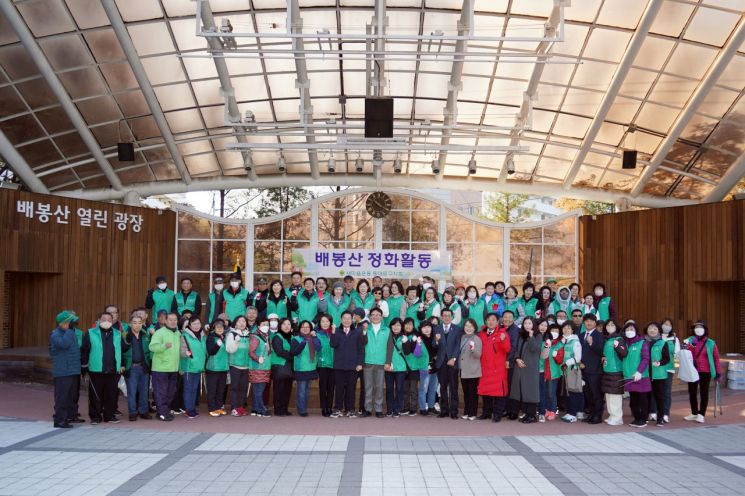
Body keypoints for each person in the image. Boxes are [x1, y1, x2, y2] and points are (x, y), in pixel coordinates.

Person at [81, 311, 129, 424]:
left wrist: (122, 364)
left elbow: (123, 349)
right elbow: (84, 351)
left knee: (111, 395)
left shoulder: (118, 334)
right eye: (104, 319)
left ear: (113, 321)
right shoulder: (90, 333)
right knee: (95, 396)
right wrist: (84, 367)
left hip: (113, 370)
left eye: (109, 319)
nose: (106, 322)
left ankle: (109, 416)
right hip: (96, 370)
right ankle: (95, 417)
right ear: (98, 320)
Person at [683, 321, 721, 424]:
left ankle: (701, 414)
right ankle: (694, 413)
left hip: (705, 371)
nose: (698, 329)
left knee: (704, 392)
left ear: (705, 329)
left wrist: (718, 372)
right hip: (692, 370)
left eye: (700, 327)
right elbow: (686, 353)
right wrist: (689, 345)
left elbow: (716, 358)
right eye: (696, 327)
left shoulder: (710, 343)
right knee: (692, 392)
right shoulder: (690, 340)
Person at [49, 311, 81, 428]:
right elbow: (64, 344)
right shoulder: (56, 334)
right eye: (71, 322)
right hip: (63, 371)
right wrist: (68, 331)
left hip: (72, 370)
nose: (74, 324)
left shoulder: (69, 332)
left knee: (70, 396)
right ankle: (59, 420)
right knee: (62, 397)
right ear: (64, 323)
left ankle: (69, 416)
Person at [330, 311, 364, 418]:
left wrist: (359, 363)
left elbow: (361, 349)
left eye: (349, 318)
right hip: (339, 365)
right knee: (339, 388)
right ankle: (338, 409)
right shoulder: (337, 331)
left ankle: (350, 409)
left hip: (352, 366)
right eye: (344, 318)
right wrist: (333, 332)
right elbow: (333, 344)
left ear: (352, 319)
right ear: (341, 319)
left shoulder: (357, 332)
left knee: (351, 389)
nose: (346, 320)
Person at [148, 312, 181, 422]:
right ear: (166, 321)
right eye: (170, 320)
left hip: (174, 368)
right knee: (161, 392)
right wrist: (163, 346)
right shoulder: (159, 332)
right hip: (160, 368)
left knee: (171, 392)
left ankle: (163, 411)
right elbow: (152, 347)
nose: (173, 322)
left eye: (175, 320)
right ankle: (162, 413)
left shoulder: (178, 333)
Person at [508, 317, 541, 423]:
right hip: (520, 366)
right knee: (521, 391)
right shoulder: (521, 336)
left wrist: (531, 337)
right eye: (525, 323)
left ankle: (532, 415)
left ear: (533, 325)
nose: (527, 325)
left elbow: (534, 349)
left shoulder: (538, 335)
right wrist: (517, 359)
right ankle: (526, 413)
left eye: (529, 323)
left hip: (530, 368)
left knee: (530, 391)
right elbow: (517, 349)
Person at [478, 313, 510, 422]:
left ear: (497, 322)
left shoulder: (502, 333)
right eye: (488, 320)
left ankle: (497, 414)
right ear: (485, 322)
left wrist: (503, 340)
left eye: (493, 320)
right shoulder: (481, 334)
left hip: (498, 369)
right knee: (485, 392)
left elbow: (507, 349)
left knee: (498, 393)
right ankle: (486, 412)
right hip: (485, 367)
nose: (490, 322)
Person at [361, 307, 389, 417]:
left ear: (382, 317)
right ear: (370, 317)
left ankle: (378, 409)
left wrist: (387, 361)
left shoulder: (386, 330)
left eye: (378, 315)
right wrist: (364, 331)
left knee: (379, 387)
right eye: (373, 314)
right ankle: (367, 409)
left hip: (381, 363)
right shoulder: (365, 329)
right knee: (367, 387)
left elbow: (390, 347)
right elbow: (362, 343)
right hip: (368, 362)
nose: (376, 316)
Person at [433, 307, 462, 419]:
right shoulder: (437, 329)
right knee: (443, 388)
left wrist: (453, 358)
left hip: (452, 362)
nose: (446, 317)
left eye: (448, 316)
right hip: (441, 362)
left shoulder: (457, 329)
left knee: (454, 388)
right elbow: (434, 345)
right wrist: (436, 340)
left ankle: (454, 411)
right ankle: (444, 410)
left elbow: (458, 345)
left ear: (452, 317)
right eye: (444, 315)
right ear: (441, 317)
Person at [622, 321, 652, 428]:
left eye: (632, 329)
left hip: (641, 376)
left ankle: (643, 419)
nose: (629, 331)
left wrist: (639, 371)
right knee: (633, 400)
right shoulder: (624, 343)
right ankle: (636, 418)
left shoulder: (642, 343)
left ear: (636, 331)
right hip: (629, 376)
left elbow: (645, 358)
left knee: (642, 399)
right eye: (627, 330)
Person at [122, 315, 151, 421]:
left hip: (143, 367)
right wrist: (123, 365)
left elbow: (149, 351)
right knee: (132, 392)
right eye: (134, 322)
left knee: (144, 391)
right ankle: (132, 412)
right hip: (131, 367)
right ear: (130, 323)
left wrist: (149, 365)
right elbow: (120, 351)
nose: (137, 325)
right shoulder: (125, 335)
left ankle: (143, 411)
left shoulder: (145, 335)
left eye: (139, 322)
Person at [291, 320, 322, 417]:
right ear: (300, 328)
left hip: (311, 367)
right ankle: (302, 410)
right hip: (301, 368)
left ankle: (303, 407)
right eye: (303, 327)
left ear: (311, 329)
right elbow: (295, 352)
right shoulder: (295, 339)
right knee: (301, 391)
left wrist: (315, 337)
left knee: (307, 390)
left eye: (307, 327)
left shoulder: (313, 338)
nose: (305, 329)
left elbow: (318, 348)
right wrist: (304, 341)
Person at [600, 319, 627, 426]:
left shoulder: (619, 339)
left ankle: (617, 417)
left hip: (616, 370)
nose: (609, 326)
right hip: (607, 370)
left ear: (616, 327)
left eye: (612, 325)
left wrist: (617, 346)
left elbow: (624, 353)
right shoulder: (607, 339)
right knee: (609, 394)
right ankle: (612, 415)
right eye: (608, 325)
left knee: (615, 395)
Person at [179, 316, 206, 419]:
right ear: (189, 325)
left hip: (198, 367)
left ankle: (192, 408)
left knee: (194, 389)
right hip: (188, 367)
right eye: (194, 324)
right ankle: (188, 410)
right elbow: (181, 352)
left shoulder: (202, 335)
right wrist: (186, 353)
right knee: (188, 389)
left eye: (198, 323)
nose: (196, 326)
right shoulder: (185, 336)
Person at [580, 314, 605, 424]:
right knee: (588, 394)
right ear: (583, 323)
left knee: (596, 394)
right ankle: (591, 414)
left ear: (595, 323)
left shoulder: (599, 335)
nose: (589, 323)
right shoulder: (581, 335)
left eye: (591, 321)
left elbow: (601, 351)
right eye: (586, 321)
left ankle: (598, 416)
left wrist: (591, 343)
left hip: (595, 370)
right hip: (583, 369)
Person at [646, 322, 670, 427]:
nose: (652, 330)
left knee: (660, 397)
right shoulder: (643, 342)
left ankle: (660, 418)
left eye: (655, 329)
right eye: (650, 328)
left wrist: (659, 363)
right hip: (646, 374)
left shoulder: (663, 343)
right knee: (646, 396)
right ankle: (648, 415)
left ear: (659, 331)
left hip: (659, 374)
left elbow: (667, 358)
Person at [226, 315, 251, 416]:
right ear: (235, 323)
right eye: (239, 321)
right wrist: (236, 342)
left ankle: (240, 407)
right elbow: (229, 349)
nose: (242, 323)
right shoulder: (231, 334)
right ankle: (234, 408)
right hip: (235, 365)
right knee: (235, 387)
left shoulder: (249, 334)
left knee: (243, 388)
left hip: (246, 365)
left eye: (244, 321)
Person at [248, 318, 273, 417]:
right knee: (259, 390)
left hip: (265, 367)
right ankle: (261, 409)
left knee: (258, 390)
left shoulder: (266, 336)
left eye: (267, 324)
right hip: (257, 367)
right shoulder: (256, 337)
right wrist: (257, 359)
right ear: (258, 326)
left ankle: (255, 408)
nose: (266, 326)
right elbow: (251, 351)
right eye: (264, 324)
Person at [559, 321, 583, 423]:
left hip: (572, 369)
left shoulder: (575, 342)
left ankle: (573, 413)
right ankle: (569, 412)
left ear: (572, 330)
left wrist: (567, 363)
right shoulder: (562, 341)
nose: (566, 330)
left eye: (568, 328)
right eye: (564, 328)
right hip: (563, 371)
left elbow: (578, 358)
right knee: (566, 392)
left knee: (573, 392)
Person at [458, 319, 482, 420]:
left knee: (472, 393)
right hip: (463, 370)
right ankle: (467, 411)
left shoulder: (476, 338)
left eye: (471, 326)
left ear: (474, 328)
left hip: (473, 370)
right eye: (467, 326)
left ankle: (473, 413)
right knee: (466, 393)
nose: (468, 328)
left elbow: (479, 355)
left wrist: (473, 350)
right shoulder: (463, 337)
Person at [384, 318, 408, 418]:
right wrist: (387, 363)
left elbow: (407, 352)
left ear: (401, 326)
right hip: (389, 366)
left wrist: (406, 342)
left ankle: (397, 409)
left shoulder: (404, 337)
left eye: (398, 325)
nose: (396, 327)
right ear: (390, 326)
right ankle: (390, 409)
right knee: (389, 389)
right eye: (394, 325)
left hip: (401, 367)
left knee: (399, 389)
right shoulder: (386, 336)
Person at [657, 318, 680, 423]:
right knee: (656, 392)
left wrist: (676, 367)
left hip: (669, 369)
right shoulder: (657, 337)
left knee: (666, 392)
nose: (667, 326)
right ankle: (654, 412)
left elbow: (677, 355)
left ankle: (665, 413)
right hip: (657, 368)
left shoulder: (674, 339)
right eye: (665, 324)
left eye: (669, 324)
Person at [271, 318, 295, 416]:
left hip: (289, 367)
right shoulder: (277, 337)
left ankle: (285, 409)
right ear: (280, 326)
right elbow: (279, 351)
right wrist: (292, 356)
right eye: (284, 324)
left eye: (288, 324)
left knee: (287, 389)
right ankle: (278, 410)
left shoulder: (292, 337)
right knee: (278, 390)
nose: (286, 326)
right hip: (279, 366)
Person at [205, 319, 229, 416]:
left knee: (221, 390)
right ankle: (212, 408)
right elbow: (211, 351)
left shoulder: (225, 337)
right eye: (217, 327)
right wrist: (218, 343)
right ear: (214, 328)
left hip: (223, 368)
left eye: (221, 327)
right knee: (212, 390)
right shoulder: (211, 337)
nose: (220, 329)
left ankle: (219, 407)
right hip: (213, 368)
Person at [541, 323, 563, 421]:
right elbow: (542, 356)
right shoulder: (545, 342)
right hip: (544, 371)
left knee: (551, 393)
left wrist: (556, 356)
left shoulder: (559, 345)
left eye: (557, 331)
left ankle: (553, 410)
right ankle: (546, 409)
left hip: (553, 373)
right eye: (552, 330)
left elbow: (560, 360)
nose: (554, 333)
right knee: (545, 392)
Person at [316, 314, 336, 417]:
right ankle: (324, 408)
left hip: (333, 364)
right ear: (319, 323)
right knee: (323, 387)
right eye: (323, 321)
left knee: (331, 387)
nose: (325, 323)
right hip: (322, 364)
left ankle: (329, 407)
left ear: (330, 323)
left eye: (327, 321)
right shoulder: (316, 334)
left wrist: (333, 333)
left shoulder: (334, 334)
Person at [400, 317, 419, 415]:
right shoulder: (400, 336)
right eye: (406, 324)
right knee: (404, 389)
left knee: (413, 389)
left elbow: (414, 352)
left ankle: (413, 408)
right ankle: (405, 407)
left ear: (413, 325)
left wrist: (413, 342)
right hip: (403, 366)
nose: (408, 326)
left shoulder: (417, 336)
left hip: (414, 367)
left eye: (410, 324)